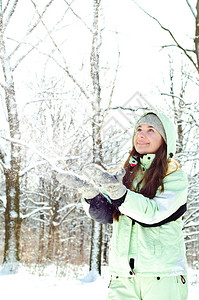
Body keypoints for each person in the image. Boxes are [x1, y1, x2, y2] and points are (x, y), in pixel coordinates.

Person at [56, 112, 188, 300]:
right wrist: (91, 194)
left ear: (165, 139)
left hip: (162, 276)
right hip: (122, 277)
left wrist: (119, 193)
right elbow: (110, 215)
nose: (141, 135)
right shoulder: (127, 174)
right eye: (139, 129)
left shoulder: (174, 176)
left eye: (151, 130)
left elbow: (154, 214)